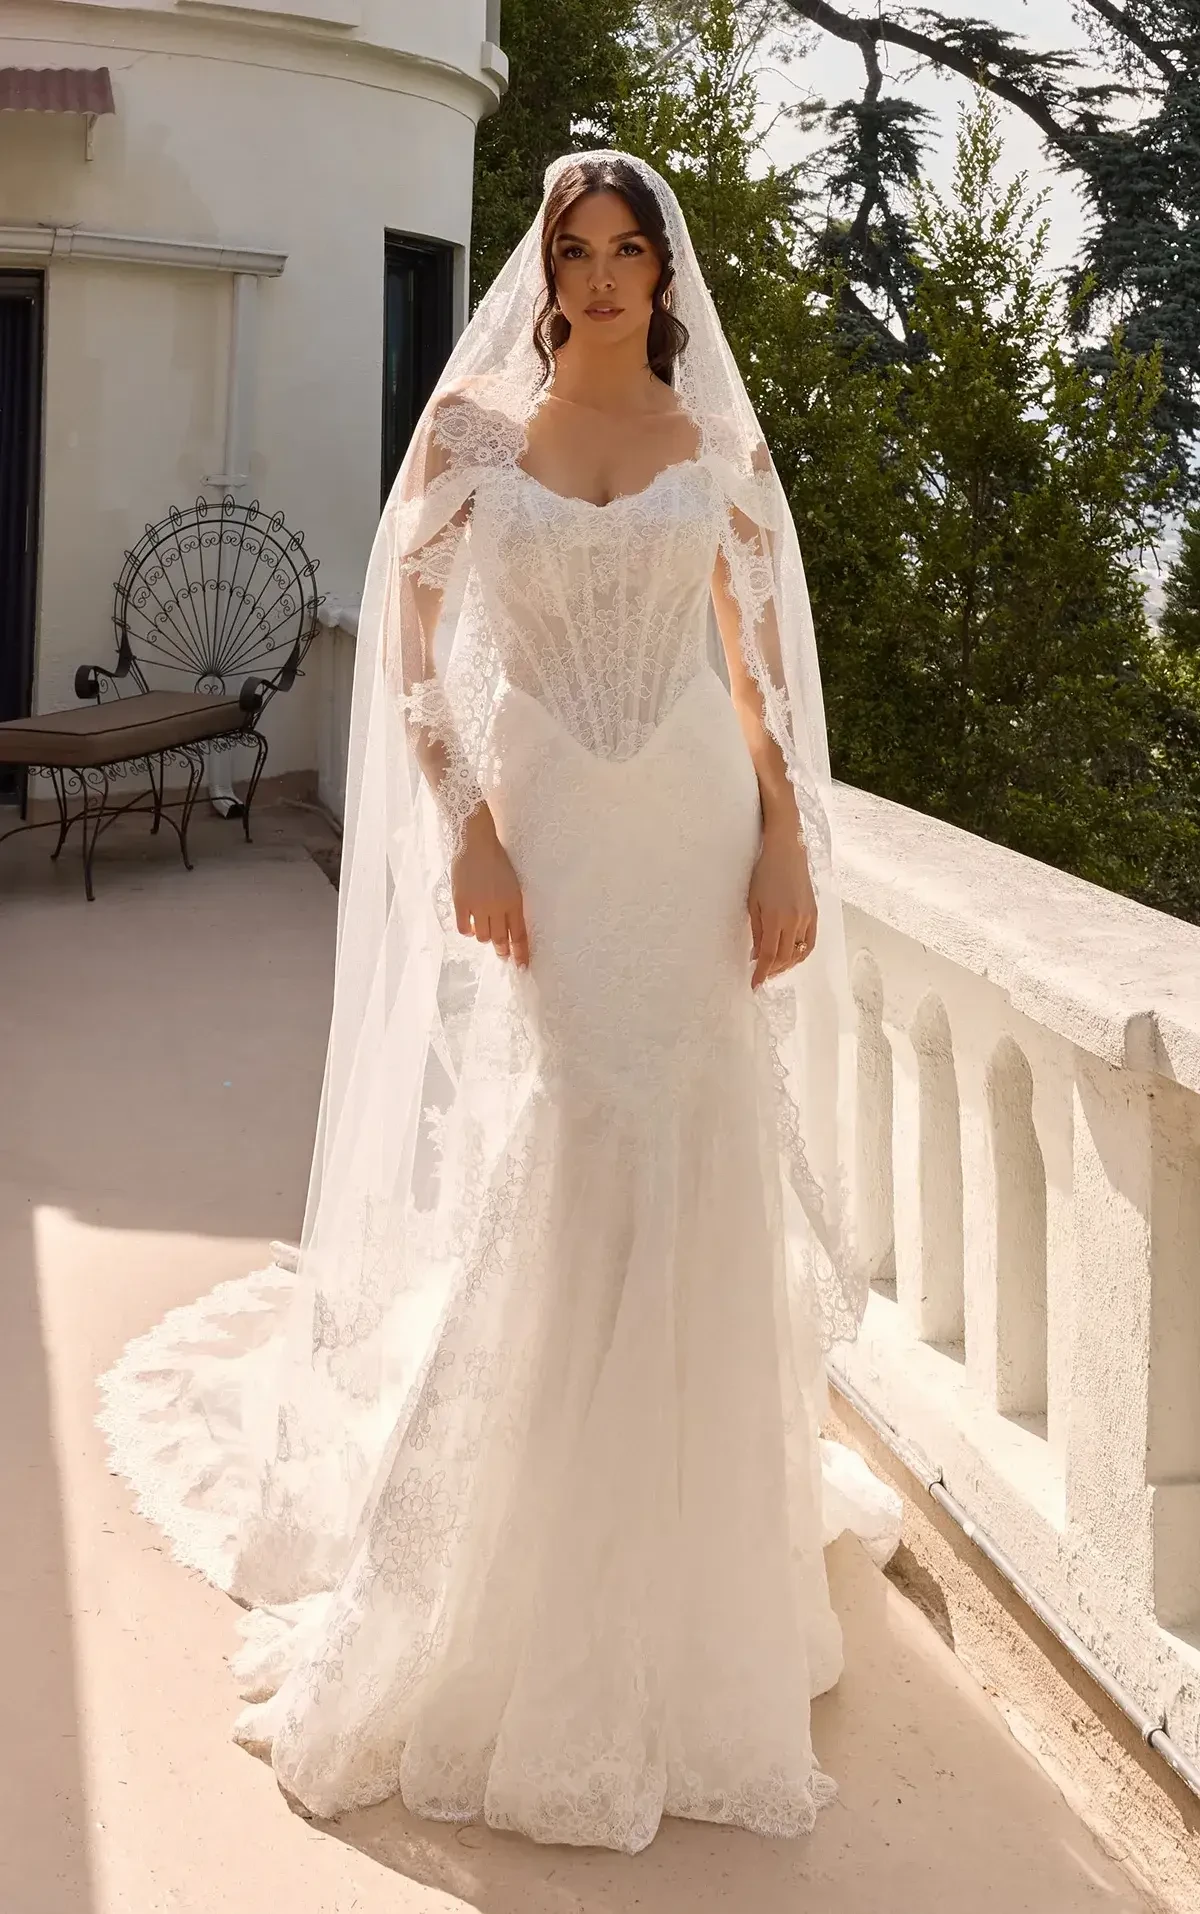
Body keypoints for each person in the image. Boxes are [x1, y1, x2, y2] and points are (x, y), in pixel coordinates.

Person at [98, 150, 900, 1856]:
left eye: (628, 251)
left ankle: (684, 1564)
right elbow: (408, 642)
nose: (602, 278)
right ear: (544, 273)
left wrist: (784, 840)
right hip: (555, 828)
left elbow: (757, 669)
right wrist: (468, 820)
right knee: (578, 1126)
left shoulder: (715, 445)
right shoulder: (477, 438)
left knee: (693, 1125)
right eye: (574, 251)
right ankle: (514, 1556)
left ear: (664, 274)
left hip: (689, 820)